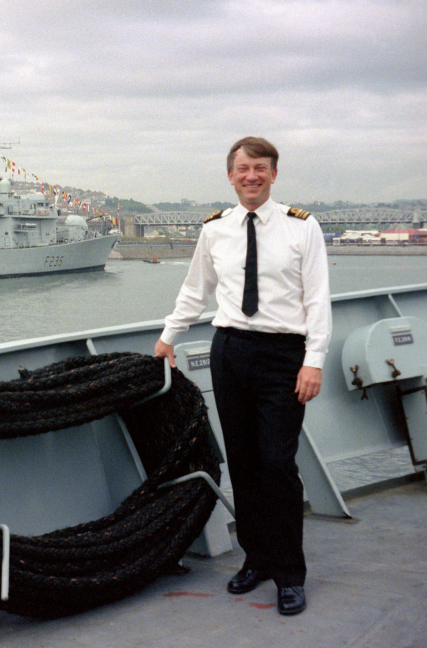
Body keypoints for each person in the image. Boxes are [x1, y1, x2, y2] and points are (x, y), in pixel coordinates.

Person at [154, 137, 331, 616]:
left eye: (260, 168)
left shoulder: (302, 227)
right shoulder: (215, 229)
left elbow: (317, 299)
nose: (251, 176)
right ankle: (257, 558)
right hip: (230, 350)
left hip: (283, 354)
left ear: (274, 174)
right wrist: (169, 336)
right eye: (242, 168)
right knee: (245, 461)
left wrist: (313, 359)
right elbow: (196, 290)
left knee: (278, 463)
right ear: (229, 176)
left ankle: (290, 573)